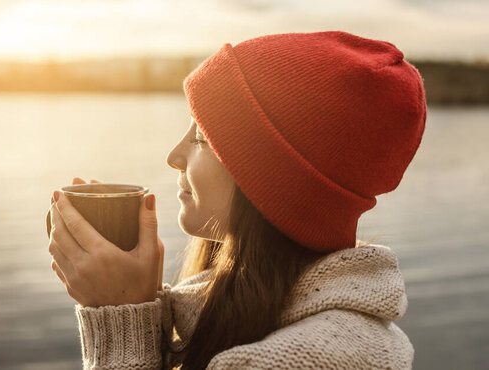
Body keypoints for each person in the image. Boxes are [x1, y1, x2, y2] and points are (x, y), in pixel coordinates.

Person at [47, 30, 426, 369]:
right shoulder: (237, 310)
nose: (174, 156)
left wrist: (119, 319)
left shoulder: (310, 359)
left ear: (270, 178)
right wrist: (134, 299)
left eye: (202, 139)